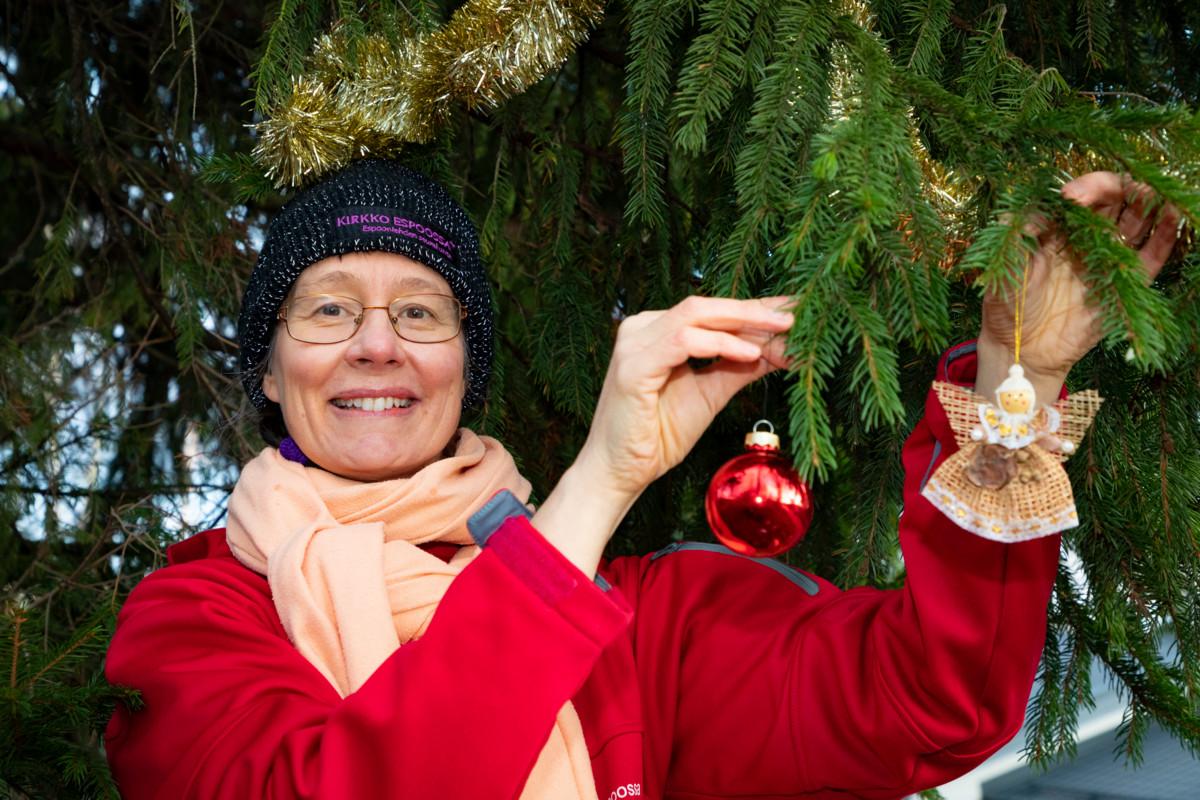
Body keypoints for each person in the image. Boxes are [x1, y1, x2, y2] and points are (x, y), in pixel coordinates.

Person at [104, 160, 1179, 799]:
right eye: (330, 307)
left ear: (462, 366)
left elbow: (935, 699)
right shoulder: (193, 619)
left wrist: (1021, 382)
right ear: (270, 362)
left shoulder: (645, 628)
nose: (378, 344)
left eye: (422, 312)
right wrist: (598, 482)